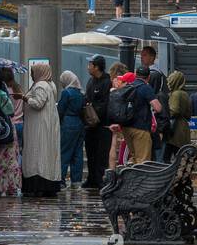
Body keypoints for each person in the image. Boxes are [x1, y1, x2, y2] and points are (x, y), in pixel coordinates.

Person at [21, 63, 61, 196]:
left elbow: (38, 103)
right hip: (47, 125)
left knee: (37, 154)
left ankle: (37, 185)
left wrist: (24, 98)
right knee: (47, 154)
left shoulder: (40, 86)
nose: (32, 75)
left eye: (33, 72)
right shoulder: (51, 85)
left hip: (39, 127)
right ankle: (49, 185)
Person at [0, 65, 23, 197]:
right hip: (12, 127)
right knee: (12, 159)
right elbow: (11, 112)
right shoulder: (18, 88)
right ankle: (12, 186)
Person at [119, 65, 162, 164]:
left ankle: (130, 179)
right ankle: (141, 179)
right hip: (140, 128)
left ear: (135, 74)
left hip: (126, 128)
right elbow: (158, 108)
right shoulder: (145, 88)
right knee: (143, 160)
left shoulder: (127, 86)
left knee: (134, 157)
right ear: (148, 77)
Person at [82, 55, 113, 189]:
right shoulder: (90, 81)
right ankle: (92, 178)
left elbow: (105, 103)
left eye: (90, 64)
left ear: (97, 67)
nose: (88, 67)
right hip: (90, 125)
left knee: (101, 154)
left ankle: (100, 179)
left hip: (102, 125)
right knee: (90, 152)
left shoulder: (107, 82)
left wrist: (95, 115)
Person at [56, 71, 86, 186]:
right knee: (77, 153)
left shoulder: (66, 93)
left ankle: (61, 180)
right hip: (79, 124)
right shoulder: (80, 93)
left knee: (64, 152)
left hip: (68, 123)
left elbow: (61, 110)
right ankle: (76, 181)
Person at [165, 71, 191, 160]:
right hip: (183, 128)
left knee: (166, 157)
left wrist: (163, 112)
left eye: (170, 80)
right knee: (180, 156)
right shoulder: (185, 94)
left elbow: (174, 110)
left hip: (175, 129)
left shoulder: (176, 94)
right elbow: (189, 114)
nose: (168, 82)